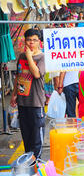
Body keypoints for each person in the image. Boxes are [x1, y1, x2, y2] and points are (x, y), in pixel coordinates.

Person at [10, 29, 46, 159]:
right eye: (29, 40)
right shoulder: (21, 57)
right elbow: (19, 76)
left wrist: (29, 56)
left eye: (34, 40)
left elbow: (36, 74)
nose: (31, 43)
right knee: (27, 137)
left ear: (39, 42)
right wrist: (14, 94)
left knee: (37, 139)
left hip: (36, 103)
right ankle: (29, 166)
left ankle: (37, 164)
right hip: (22, 102)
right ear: (25, 41)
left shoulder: (42, 57)